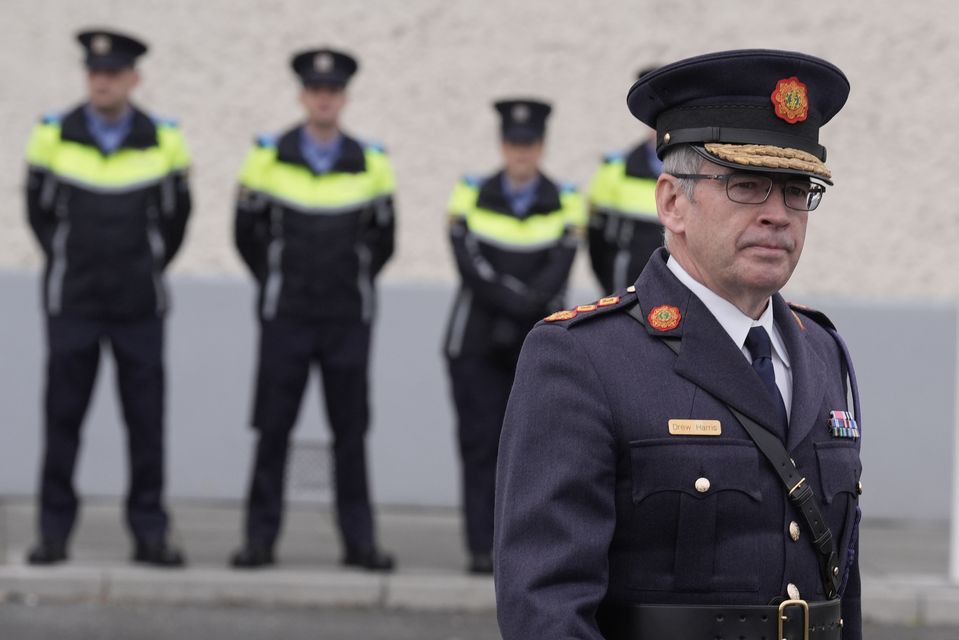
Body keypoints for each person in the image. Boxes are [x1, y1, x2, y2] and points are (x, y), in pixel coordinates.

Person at [495, 49, 863, 640]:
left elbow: (840, 590)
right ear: (672, 203)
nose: (778, 214)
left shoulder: (822, 351)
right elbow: (546, 608)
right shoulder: (583, 357)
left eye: (797, 190)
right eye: (747, 185)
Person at [24, 29, 191, 567]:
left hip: (139, 305)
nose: (102, 81)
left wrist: (145, 262)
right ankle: (53, 533)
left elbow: (176, 216)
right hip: (73, 301)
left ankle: (149, 534)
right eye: (95, 73)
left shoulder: (164, 138)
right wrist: (69, 257)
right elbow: (39, 213)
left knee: (145, 424)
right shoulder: (53, 134)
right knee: (63, 419)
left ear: (134, 80)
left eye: (113, 74)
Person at [231, 47, 396, 571]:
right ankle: (259, 541)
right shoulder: (266, 155)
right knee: (272, 428)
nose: (323, 99)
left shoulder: (371, 160)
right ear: (303, 96)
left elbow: (384, 240)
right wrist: (278, 278)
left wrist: (350, 280)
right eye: (315, 91)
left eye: (332, 91)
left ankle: (359, 543)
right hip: (288, 315)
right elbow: (245, 234)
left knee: (350, 432)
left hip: (346, 317)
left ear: (343, 98)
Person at [444, 99, 584, 574]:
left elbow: (560, 268)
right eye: (512, 144)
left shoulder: (566, 197)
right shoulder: (468, 193)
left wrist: (522, 309)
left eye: (529, 145)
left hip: (537, 341)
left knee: (535, 452)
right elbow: (470, 268)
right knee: (480, 445)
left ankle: (523, 549)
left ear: (541, 147)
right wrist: (513, 304)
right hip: (476, 342)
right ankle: (480, 547)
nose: (520, 153)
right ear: (502, 145)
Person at [587, 66, 663, 294]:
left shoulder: (696, 170)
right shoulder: (614, 169)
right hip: (625, 294)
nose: (657, 124)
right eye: (652, 115)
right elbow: (597, 245)